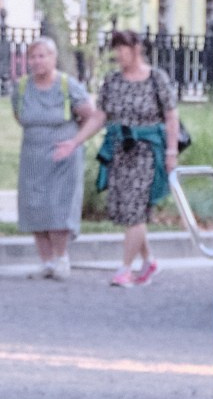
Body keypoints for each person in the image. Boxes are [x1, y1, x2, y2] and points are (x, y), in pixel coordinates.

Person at [96, 27, 179, 290]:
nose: (119, 54)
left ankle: (125, 268)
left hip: (147, 151)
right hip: (122, 151)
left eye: (123, 49)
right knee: (129, 210)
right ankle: (148, 260)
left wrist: (171, 151)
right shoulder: (113, 81)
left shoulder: (157, 79)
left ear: (136, 50)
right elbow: (100, 115)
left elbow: (171, 116)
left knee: (136, 210)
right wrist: (76, 141)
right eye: (116, 49)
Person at [12, 37, 98, 279]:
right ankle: (46, 261)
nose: (37, 61)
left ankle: (61, 259)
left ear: (54, 58)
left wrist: (74, 141)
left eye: (43, 56)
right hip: (33, 155)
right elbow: (20, 116)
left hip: (63, 155)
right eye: (33, 56)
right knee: (34, 206)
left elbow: (90, 117)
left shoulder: (66, 85)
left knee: (58, 206)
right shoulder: (21, 87)